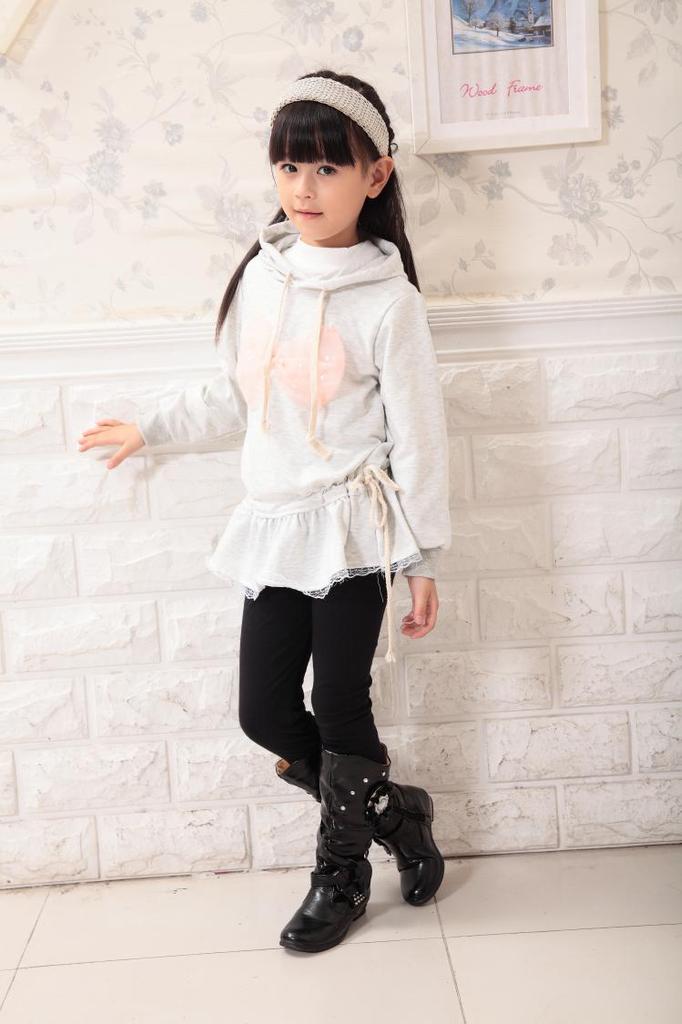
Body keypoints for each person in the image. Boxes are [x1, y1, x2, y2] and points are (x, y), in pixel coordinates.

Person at [78, 69, 452, 955]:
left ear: (376, 175)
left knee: (342, 704)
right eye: (289, 166)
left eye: (327, 168)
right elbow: (238, 393)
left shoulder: (391, 301)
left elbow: (420, 436)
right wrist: (152, 426)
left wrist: (423, 558)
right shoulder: (262, 276)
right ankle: (395, 813)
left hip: (355, 529)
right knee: (264, 713)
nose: (304, 187)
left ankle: (341, 874)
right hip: (275, 528)